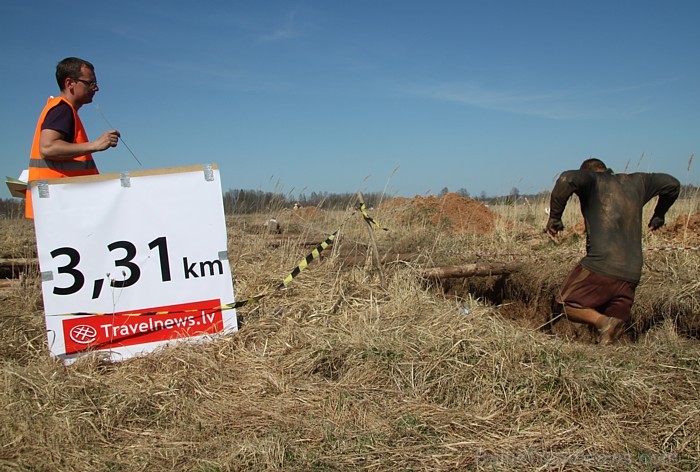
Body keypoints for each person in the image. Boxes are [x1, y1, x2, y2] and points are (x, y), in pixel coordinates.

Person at [546, 158, 680, 344]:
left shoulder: (593, 181)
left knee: (565, 304)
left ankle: (601, 322)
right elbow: (672, 184)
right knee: (614, 328)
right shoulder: (638, 182)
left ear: (589, 173)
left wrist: (554, 218)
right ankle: (606, 347)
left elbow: (566, 179)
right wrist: (659, 214)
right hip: (632, 272)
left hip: (601, 264)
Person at [25, 57, 120, 218]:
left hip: (58, 202)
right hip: (57, 203)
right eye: (90, 83)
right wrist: (95, 145)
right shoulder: (62, 110)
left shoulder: (62, 110)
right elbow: (48, 148)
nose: (95, 88)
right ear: (70, 83)